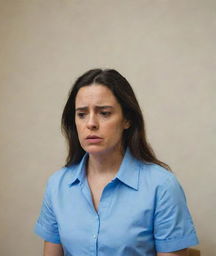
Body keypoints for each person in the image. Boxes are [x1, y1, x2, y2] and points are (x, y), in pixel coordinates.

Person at [34, 69, 199, 256]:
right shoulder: (57, 185)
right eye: (81, 114)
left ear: (127, 119)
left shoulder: (162, 186)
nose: (91, 123)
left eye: (104, 113)